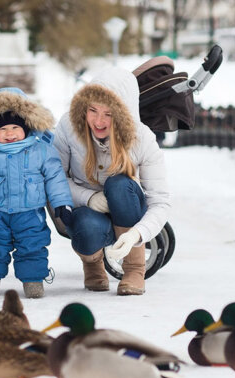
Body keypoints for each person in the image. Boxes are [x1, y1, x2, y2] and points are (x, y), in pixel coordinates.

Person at [53, 66, 170, 295]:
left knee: (119, 184)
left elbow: (161, 201)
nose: (98, 121)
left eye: (108, 113)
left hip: (127, 205)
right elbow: (56, 179)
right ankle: (92, 264)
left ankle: (134, 268)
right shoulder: (68, 127)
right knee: (86, 227)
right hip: (87, 210)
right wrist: (89, 198)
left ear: (122, 114)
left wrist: (136, 235)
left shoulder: (141, 138)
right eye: (93, 110)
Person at [0, 88, 73, 299]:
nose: (10, 133)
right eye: (3, 129)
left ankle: (33, 281)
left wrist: (62, 204)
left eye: (15, 127)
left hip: (30, 215)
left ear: (27, 127)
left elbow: (55, 178)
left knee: (33, 246)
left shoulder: (42, 150)